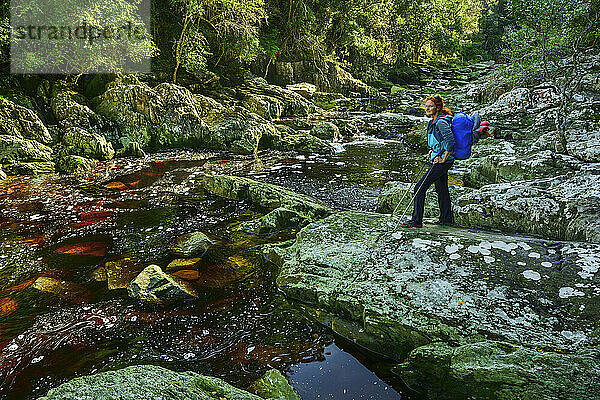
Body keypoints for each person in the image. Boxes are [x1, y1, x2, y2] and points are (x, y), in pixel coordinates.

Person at [402, 95, 455, 228]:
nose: (427, 108)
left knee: (419, 187)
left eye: (430, 106)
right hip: (439, 159)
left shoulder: (440, 122)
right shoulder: (433, 121)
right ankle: (446, 219)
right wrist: (433, 151)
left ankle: (416, 220)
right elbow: (439, 141)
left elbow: (450, 141)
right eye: (426, 106)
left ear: (437, 107)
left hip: (442, 162)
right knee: (441, 189)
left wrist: (443, 157)